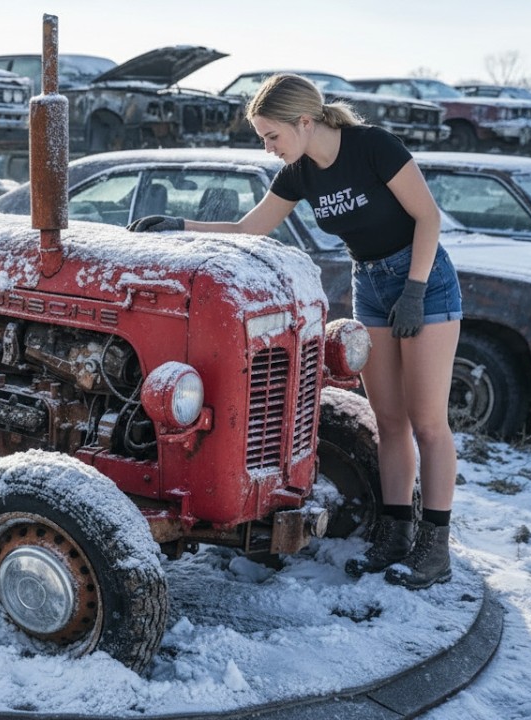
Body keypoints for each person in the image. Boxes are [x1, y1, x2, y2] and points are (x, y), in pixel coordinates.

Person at [129, 73, 462, 590]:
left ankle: (434, 548)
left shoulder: (372, 147)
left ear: (305, 122)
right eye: (263, 137)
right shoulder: (300, 172)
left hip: (424, 281)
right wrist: (179, 227)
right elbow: (249, 229)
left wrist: (416, 290)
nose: (268, 147)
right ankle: (396, 537)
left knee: (427, 422)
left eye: (272, 135)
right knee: (390, 419)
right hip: (371, 284)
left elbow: (428, 217)